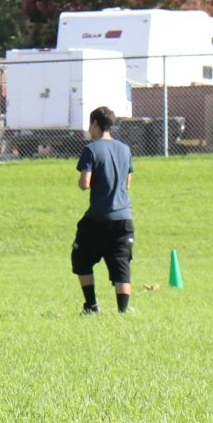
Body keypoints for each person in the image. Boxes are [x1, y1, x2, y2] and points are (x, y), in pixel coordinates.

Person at [73, 105, 135, 314]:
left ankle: (91, 305)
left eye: (90, 124)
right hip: (124, 217)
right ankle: (123, 311)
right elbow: (128, 182)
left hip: (99, 217)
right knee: (121, 264)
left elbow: (84, 183)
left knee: (81, 258)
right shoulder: (125, 149)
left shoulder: (91, 149)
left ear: (96, 124)